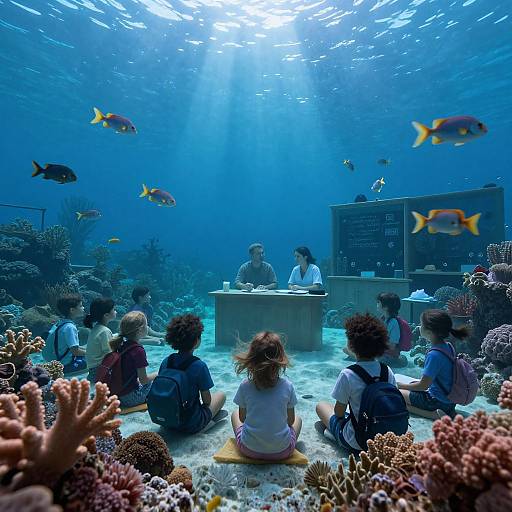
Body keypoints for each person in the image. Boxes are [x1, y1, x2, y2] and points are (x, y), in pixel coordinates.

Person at [315, 313, 400, 452]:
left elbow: (339, 413)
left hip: (357, 441)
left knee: (321, 406)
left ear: (352, 346)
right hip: (383, 438)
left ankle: (336, 437)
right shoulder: (387, 370)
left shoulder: (348, 374)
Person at [231, 331, 302, 461]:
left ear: (251, 360)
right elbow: (290, 421)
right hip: (282, 452)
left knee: (234, 414)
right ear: (280, 360)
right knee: (298, 420)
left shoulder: (245, 385)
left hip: (249, 450)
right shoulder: (288, 386)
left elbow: (242, 418)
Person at [158, 313, 226, 433]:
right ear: (196, 341)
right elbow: (207, 401)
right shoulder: (199, 366)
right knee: (221, 395)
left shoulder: (167, 361)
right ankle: (203, 424)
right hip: (189, 423)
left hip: (166, 420)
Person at [397, 309, 467, 419]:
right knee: (411, 384)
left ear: (429, 332)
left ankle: (433, 414)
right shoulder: (448, 346)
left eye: (421, 324)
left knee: (396, 393)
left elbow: (423, 386)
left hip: (435, 402)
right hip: (451, 400)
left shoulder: (434, 355)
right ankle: (447, 411)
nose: (419, 326)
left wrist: (399, 385)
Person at [110, 311, 156, 408]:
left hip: (117, 394)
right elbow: (144, 380)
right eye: (146, 325)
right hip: (130, 399)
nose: (148, 327)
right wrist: (157, 374)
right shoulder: (138, 350)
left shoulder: (121, 345)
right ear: (140, 330)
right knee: (154, 380)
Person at [42, 293, 87, 375]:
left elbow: (72, 346)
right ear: (72, 310)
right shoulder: (70, 327)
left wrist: (86, 350)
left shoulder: (60, 322)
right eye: (80, 306)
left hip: (53, 360)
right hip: (63, 365)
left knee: (86, 353)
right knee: (94, 360)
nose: (83, 308)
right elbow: (75, 351)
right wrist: (90, 353)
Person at [84, 297, 116, 382]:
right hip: (100, 371)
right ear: (106, 315)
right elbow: (110, 354)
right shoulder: (105, 331)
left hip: (92, 370)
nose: (116, 311)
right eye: (113, 309)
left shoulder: (96, 328)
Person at [376, 292, 408, 368]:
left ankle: (397, 360)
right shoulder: (383, 319)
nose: (376, 304)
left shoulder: (393, 322)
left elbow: (392, 345)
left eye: (378, 302)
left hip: (389, 354)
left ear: (386, 307)